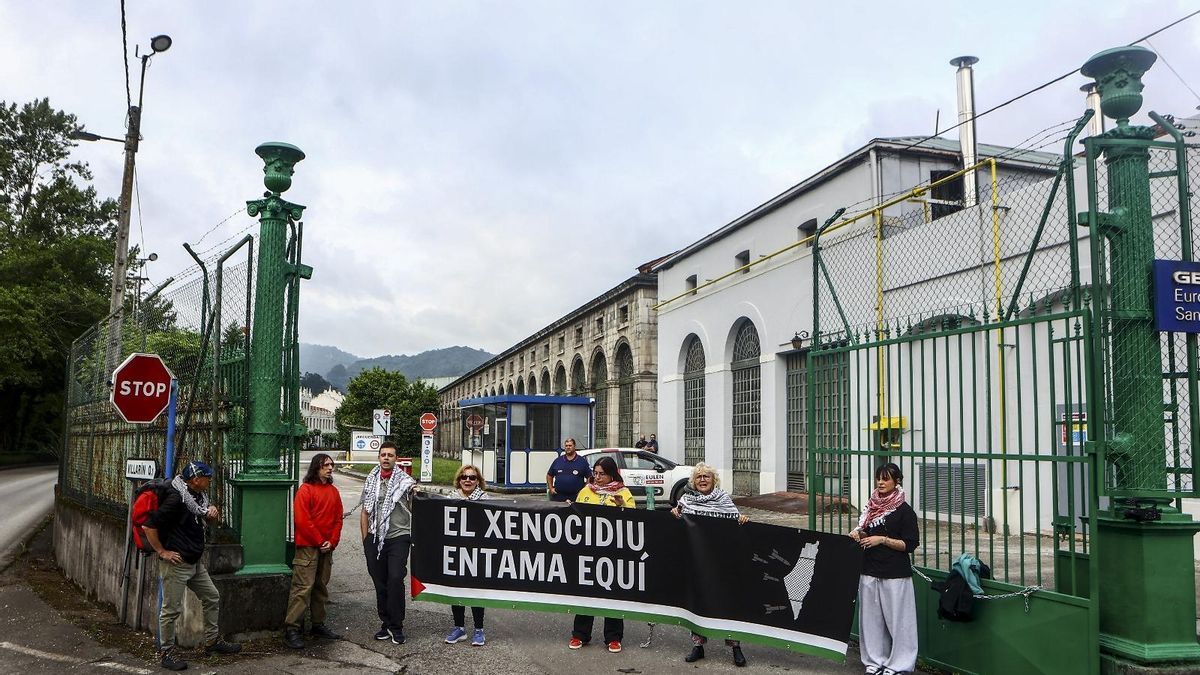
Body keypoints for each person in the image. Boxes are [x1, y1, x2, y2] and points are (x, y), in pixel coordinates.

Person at [142, 460, 241, 671]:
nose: (210, 480)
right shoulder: (176, 499)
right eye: (207, 477)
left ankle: (212, 642)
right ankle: (166, 652)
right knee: (171, 610)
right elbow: (149, 525)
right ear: (196, 479)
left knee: (212, 596)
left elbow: (203, 518)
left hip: (195, 562)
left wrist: (211, 513)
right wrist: (162, 552)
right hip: (177, 563)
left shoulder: (198, 497)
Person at [670, 463, 748, 667]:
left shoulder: (724, 500)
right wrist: (674, 514)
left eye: (706, 477)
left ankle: (735, 646)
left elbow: (735, 522)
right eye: (699, 477)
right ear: (693, 482)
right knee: (698, 601)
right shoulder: (686, 501)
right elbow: (677, 521)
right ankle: (698, 646)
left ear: (714, 480)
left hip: (722, 562)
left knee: (727, 603)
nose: (703, 480)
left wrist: (742, 520)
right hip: (697, 562)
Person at [849, 463, 919, 675]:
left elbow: (910, 544)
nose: (880, 482)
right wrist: (859, 535)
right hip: (869, 569)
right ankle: (874, 660)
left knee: (899, 622)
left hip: (894, 573)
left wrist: (883, 540)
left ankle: (900, 664)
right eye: (878, 478)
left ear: (896, 481)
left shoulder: (904, 511)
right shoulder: (870, 508)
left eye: (886, 478)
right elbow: (866, 533)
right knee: (871, 621)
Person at [569, 455, 635, 653]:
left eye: (602, 474)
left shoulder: (624, 492)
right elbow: (576, 514)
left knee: (612, 594)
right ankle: (580, 634)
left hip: (613, 552)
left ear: (612, 474)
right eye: (595, 473)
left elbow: (634, 518)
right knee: (586, 593)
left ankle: (613, 638)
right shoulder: (586, 490)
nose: (597, 478)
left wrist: (621, 505)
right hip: (588, 551)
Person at [283, 453, 344, 649]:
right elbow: (302, 520)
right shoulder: (306, 490)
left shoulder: (333, 492)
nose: (330, 468)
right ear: (316, 468)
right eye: (325, 465)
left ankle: (317, 624)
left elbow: (338, 518)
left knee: (321, 587)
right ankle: (292, 628)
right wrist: (320, 541)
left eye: (331, 465)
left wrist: (332, 541)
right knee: (303, 588)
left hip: (325, 547)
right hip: (308, 548)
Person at [360, 441, 418, 645]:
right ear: (379, 457)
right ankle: (385, 623)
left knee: (395, 578)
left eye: (390, 455)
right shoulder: (370, 480)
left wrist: (415, 492)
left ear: (396, 459)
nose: (386, 458)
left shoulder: (406, 482)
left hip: (399, 536)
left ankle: (397, 626)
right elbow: (365, 511)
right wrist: (366, 539)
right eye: (383, 454)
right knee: (380, 582)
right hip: (375, 538)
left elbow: (415, 505)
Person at [444, 464, 488, 647]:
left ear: (478, 481)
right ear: (459, 479)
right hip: (456, 551)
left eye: (472, 477)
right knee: (457, 589)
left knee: (475, 591)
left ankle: (479, 630)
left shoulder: (486, 499)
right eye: (464, 477)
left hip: (476, 552)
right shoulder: (450, 498)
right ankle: (459, 628)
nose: (468, 480)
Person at [546, 438, 591, 502]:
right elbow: (549, 475)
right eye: (566, 446)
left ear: (574, 446)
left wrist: (584, 491)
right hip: (558, 497)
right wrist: (551, 488)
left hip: (576, 497)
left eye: (570, 446)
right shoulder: (558, 461)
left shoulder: (582, 462)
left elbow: (590, 477)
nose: (568, 447)